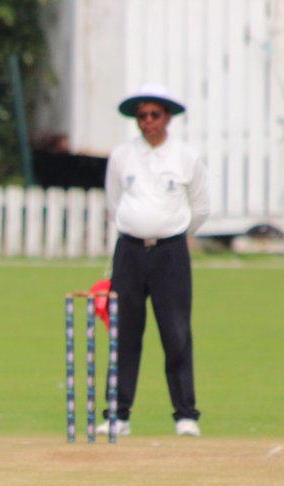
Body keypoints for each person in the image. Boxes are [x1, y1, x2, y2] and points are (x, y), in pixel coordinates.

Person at [103, 83, 210, 437]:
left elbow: (201, 208)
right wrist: (137, 229)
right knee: (124, 333)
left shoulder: (185, 157)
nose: (147, 122)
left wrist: (171, 232)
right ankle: (118, 414)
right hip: (130, 251)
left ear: (167, 118)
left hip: (170, 253)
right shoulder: (122, 156)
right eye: (142, 116)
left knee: (176, 332)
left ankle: (185, 415)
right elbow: (114, 203)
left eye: (154, 115)